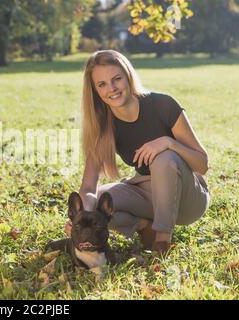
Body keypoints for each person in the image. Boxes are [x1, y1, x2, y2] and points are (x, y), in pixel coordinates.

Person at [65, 50, 210, 255]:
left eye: (117, 79)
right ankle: (144, 226)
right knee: (95, 202)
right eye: (102, 84)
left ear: (128, 76)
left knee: (164, 158)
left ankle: (162, 241)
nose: (112, 89)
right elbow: (88, 186)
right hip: (148, 193)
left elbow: (202, 164)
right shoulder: (103, 125)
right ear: (95, 90)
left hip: (188, 199)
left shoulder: (162, 105)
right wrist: (82, 215)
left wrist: (168, 142)